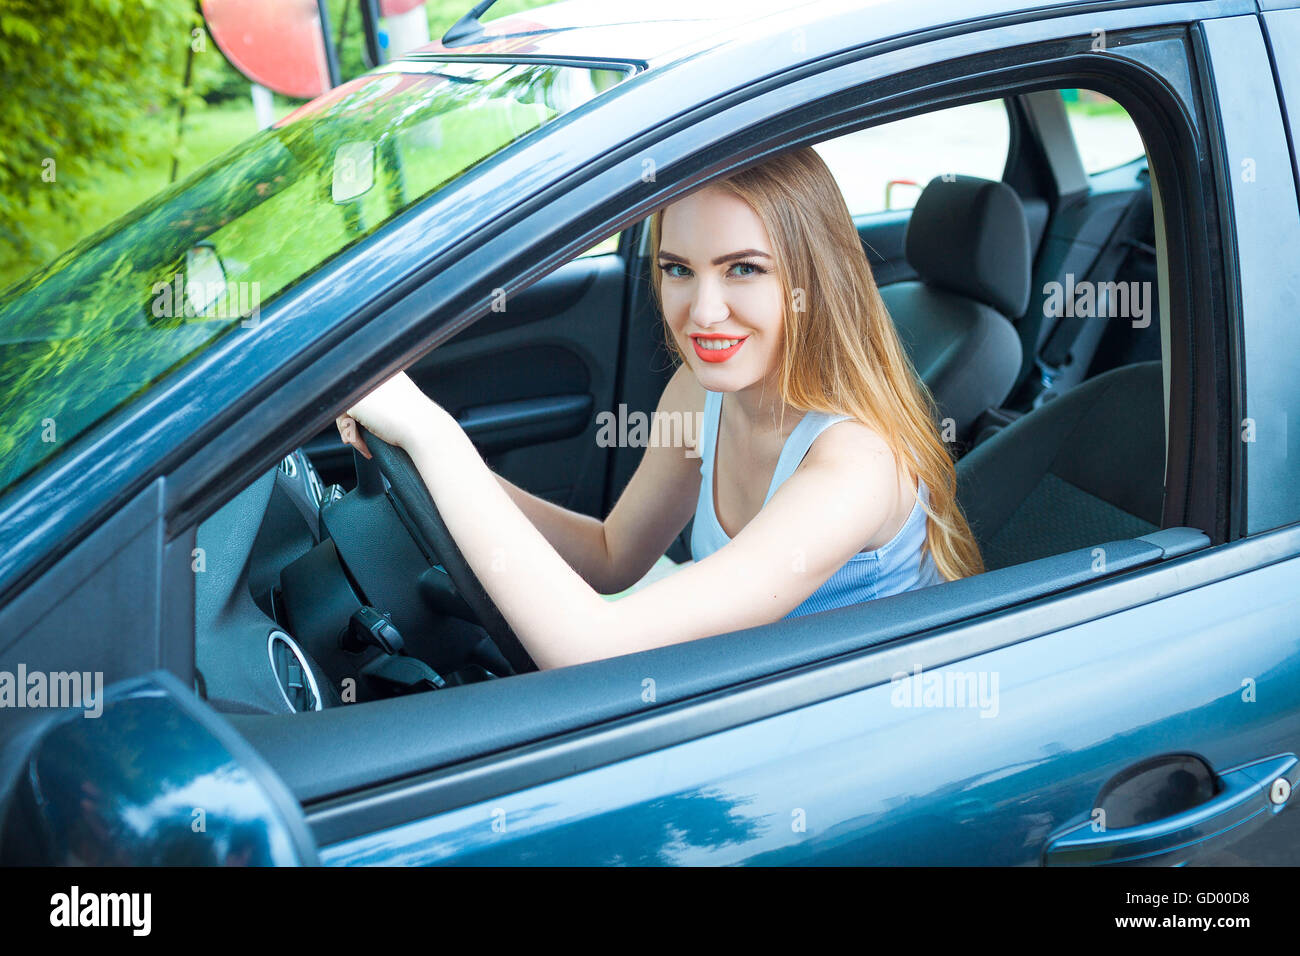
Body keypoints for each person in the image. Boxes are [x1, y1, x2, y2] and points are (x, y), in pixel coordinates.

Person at [337, 146, 984, 670]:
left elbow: (592, 646)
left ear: (811, 282)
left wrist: (434, 434)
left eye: (743, 270)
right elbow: (613, 554)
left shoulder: (856, 468)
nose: (702, 313)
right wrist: (439, 470)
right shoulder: (702, 394)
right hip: (753, 683)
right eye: (678, 269)